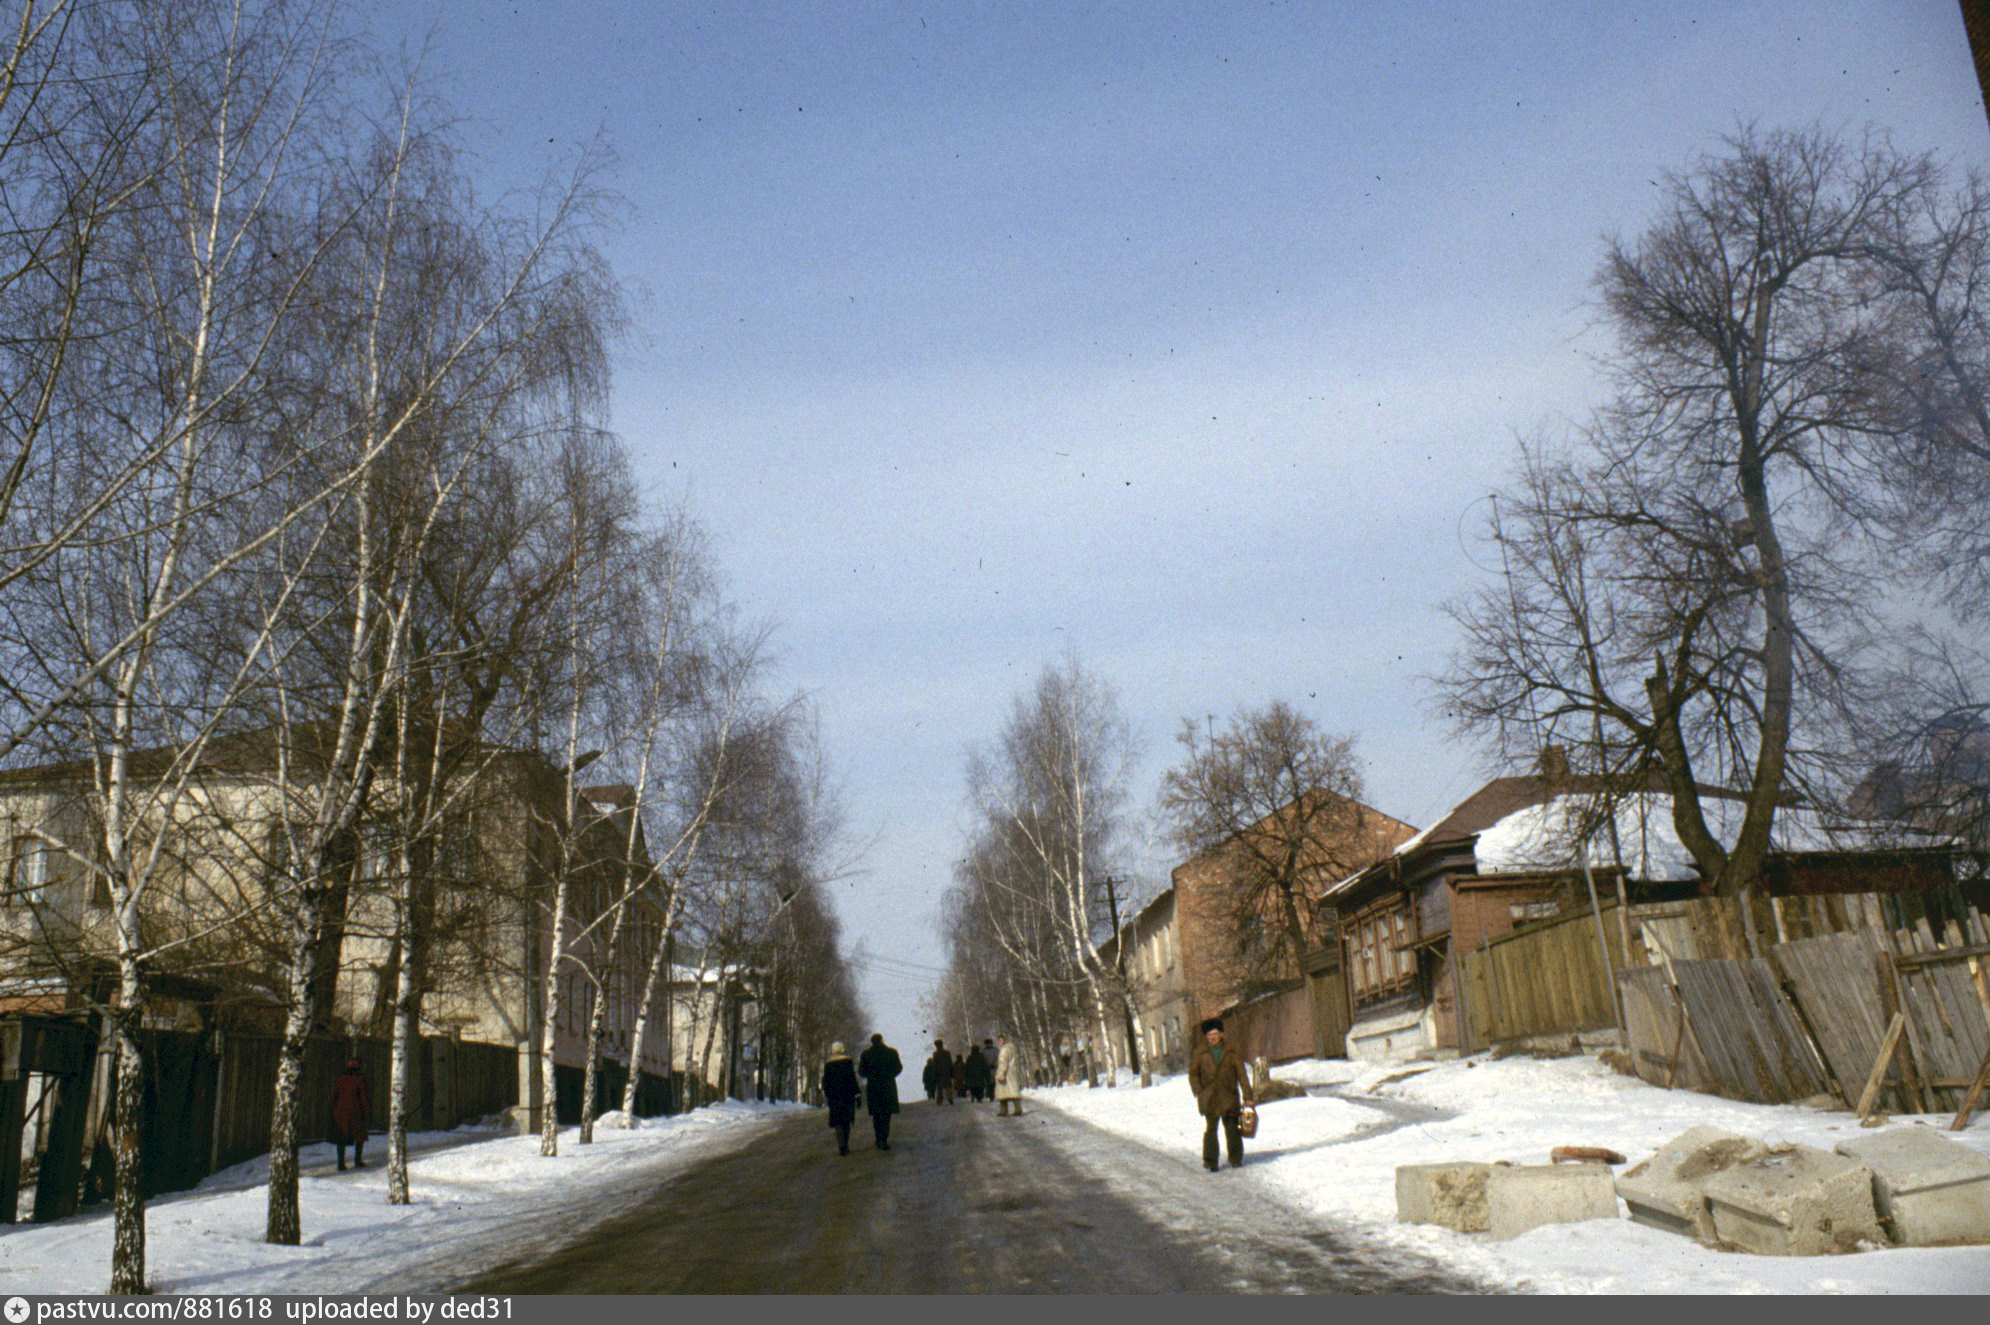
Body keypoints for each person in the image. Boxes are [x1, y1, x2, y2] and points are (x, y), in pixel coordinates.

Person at [1188, 1017, 1253, 1172]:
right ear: (1206, 1036)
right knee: (1211, 1129)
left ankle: (1236, 1158)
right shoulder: (1200, 1052)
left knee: (1232, 1128)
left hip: (1228, 1096)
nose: (1213, 1037)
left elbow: (1241, 1074)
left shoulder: (1231, 1052)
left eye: (1215, 1033)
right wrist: (1199, 1090)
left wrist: (1248, 1096)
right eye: (1210, 1034)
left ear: (1221, 1034)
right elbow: (1193, 1073)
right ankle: (1211, 1161)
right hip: (1209, 1097)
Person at [858, 1032, 902, 1150]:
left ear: (872, 1042)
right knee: (886, 1114)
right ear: (882, 1040)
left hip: (873, 1087)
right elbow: (899, 1067)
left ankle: (878, 1138)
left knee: (877, 1115)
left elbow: (861, 1072)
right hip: (888, 1086)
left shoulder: (866, 1054)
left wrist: (870, 1076)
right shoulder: (892, 1052)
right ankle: (884, 1139)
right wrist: (890, 1075)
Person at [329, 1056, 372, 1171]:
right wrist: (368, 1111)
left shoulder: (340, 1079)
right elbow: (363, 1097)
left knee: (341, 1138)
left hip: (340, 1112)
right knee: (359, 1137)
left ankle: (341, 1163)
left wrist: (332, 1109)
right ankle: (357, 1161)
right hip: (356, 1112)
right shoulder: (359, 1079)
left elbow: (334, 1095)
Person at [821, 1041, 861, 1156]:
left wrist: (827, 1094)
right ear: (842, 1049)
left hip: (834, 1097)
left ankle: (841, 1145)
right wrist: (857, 1094)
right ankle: (846, 1145)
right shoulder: (848, 1061)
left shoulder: (828, 1064)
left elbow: (826, 1081)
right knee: (846, 1121)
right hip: (847, 1096)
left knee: (837, 1121)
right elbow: (852, 1079)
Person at [993, 1033, 1025, 1117]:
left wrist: (1000, 1074)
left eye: (1000, 1040)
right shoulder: (1012, 1049)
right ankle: (1018, 1108)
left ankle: (1003, 1110)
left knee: (1003, 1092)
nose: (1000, 1042)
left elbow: (1003, 1063)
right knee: (1013, 1091)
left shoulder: (1003, 1050)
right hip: (1012, 1072)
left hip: (1006, 1073)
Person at [929, 1039, 955, 1105]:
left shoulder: (935, 1054)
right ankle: (950, 1099)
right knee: (948, 1086)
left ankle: (939, 1100)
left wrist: (934, 1075)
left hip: (939, 1073)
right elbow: (950, 1063)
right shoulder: (947, 1053)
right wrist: (952, 1072)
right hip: (946, 1072)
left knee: (939, 1087)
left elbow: (934, 1065)